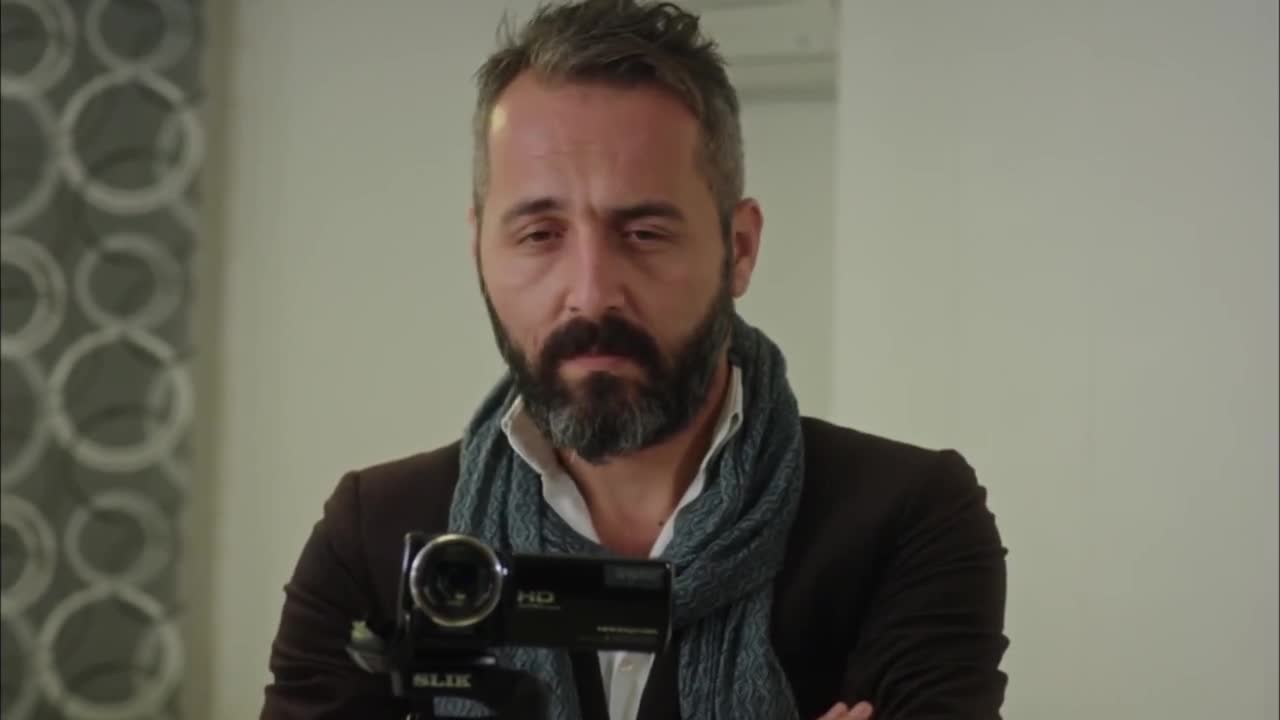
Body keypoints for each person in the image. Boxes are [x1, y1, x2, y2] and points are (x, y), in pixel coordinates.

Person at [260, 1, 1009, 718]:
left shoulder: (906, 522)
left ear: (740, 249)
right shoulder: (376, 537)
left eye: (645, 233)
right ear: (480, 249)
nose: (591, 295)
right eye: (540, 235)